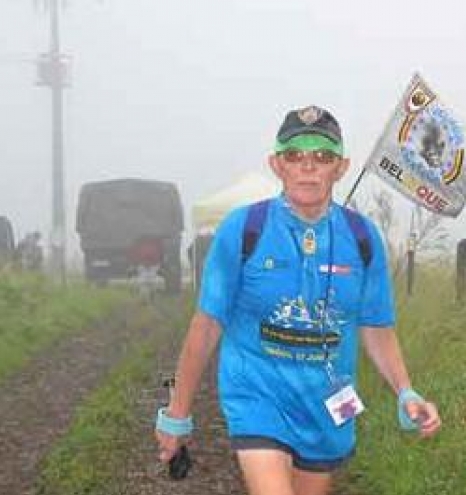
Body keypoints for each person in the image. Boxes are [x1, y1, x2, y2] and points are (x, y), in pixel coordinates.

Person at [155, 105, 441, 495]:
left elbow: (376, 327)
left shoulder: (362, 238)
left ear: (340, 168)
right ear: (277, 165)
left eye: (322, 156)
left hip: (325, 405)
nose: (308, 166)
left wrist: (406, 392)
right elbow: (206, 328)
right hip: (256, 395)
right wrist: (178, 415)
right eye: (295, 155)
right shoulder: (243, 229)